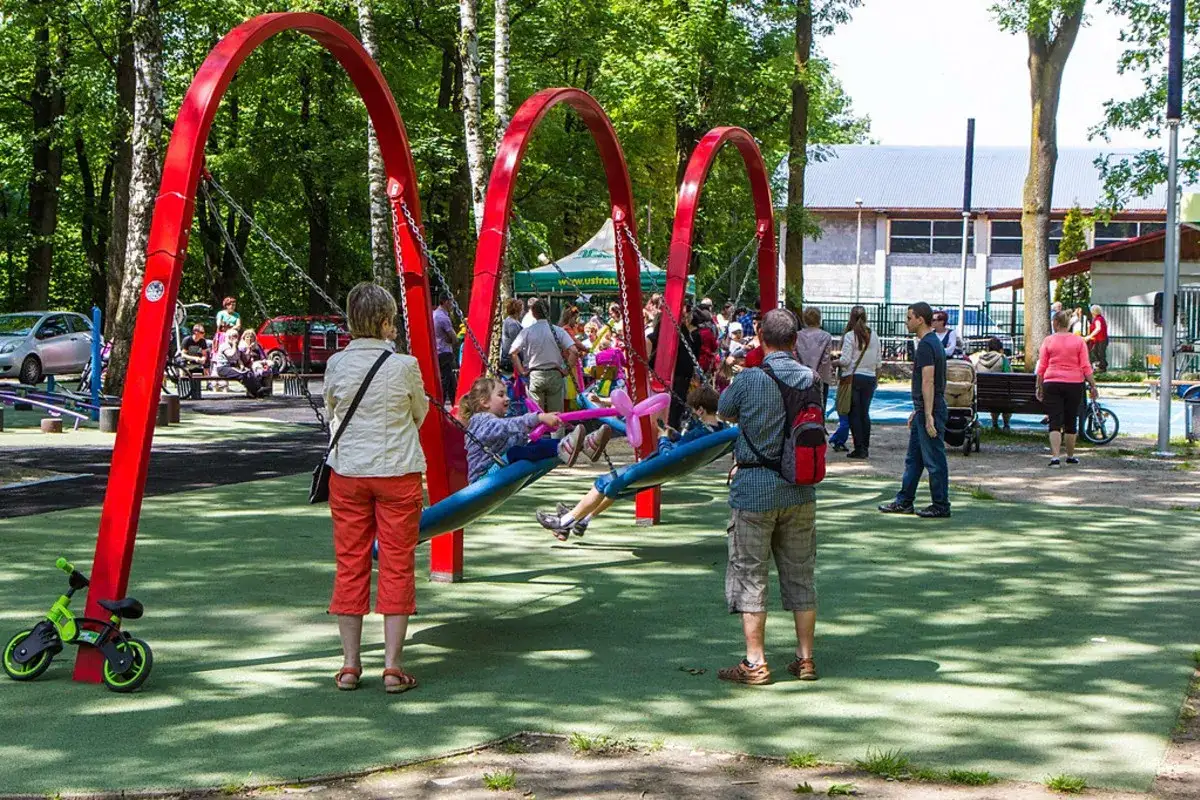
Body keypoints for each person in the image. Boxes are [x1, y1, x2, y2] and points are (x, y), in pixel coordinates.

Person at [324, 282, 428, 693]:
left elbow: (332, 410)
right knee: (397, 563)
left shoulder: (336, 364)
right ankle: (392, 666)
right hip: (397, 470)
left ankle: (350, 665)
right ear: (386, 322)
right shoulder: (405, 365)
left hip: (348, 472)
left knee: (350, 562)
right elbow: (418, 413)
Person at [716, 309, 819, 684]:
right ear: (795, 341)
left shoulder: (750, 379)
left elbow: (724, 410)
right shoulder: (812, 379)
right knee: (800, 574)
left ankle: (755, 662)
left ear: (761, 338)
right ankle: (805, 659)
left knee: (750, 575)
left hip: (754, 489)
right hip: (800, 488)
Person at [534, 385, 724, 541]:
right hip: (667, 471)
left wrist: (663, 439)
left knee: (604, 483)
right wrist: (673, 435)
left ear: (700, 409)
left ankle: (565, 522)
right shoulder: (718, 431)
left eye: (693, 410)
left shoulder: (700, 433)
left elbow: (669, 456)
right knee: (614, 485)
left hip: (656, 467)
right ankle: (583, 518)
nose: (692, 414)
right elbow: (685, 447)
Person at [458, 377, 613, 483]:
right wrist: (537, 418)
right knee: (516, 452)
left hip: (498, 466)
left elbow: (511, 437)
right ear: (484, 402)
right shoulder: (480, 420)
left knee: (532, 445)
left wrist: (532, 430)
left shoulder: (492, 420)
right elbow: (503, 428)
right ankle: (565, 447)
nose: (507, 398)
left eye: (506, 394)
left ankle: (585, 445)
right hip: (484, 476)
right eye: (501, 395)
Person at [879, 302, 950, 518]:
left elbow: (928, 381)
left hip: (931, 409)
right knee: (914, 459)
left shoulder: (927, 345)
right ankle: (905, 500)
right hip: (926, 409)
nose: (906, 321)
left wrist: (928, 414)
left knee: (934, 459)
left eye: (909, 317)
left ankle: (940, 504)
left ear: (920, 319)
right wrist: (919, 410)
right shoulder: (931, 343)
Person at [1036, 311, 1099, 468]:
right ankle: (1070, 456)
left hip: (1052, 382)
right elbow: (1085, 365)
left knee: (1054, 420)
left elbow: (1042, 366)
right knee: (1071, 420)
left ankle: (1055, 457)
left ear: (1055, 323)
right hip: (1074, 383)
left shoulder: (1048, 341)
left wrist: (1039, 384)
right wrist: (1093, 384)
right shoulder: (1078, 341)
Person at [510, 299, 576, 421]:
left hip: (535, 374)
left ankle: (537, 438)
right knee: (557, 415)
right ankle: (558, 438)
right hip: (555, 373)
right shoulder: (558, 330)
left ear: (534, 313)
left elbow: (513, 352)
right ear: (548, 312)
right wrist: (566, 371)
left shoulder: (527, 331)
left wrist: (522, 372)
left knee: (536, 415)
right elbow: (574, 351)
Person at [837, 305, 881, 459]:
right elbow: (878, 361)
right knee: (864, 413)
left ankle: (859, 447)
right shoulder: (874, 335)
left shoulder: (850, 336)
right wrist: (877, 379)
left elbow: (846, 360)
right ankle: (865, 446)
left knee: (854, 414)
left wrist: (835, 362)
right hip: (869, 377)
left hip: (853, 377)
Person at [795, 306, 833, 411]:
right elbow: (825, 359)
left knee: (801, 408)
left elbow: (795, 356)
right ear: (819, 318)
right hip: (821, 378)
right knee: (820, 407)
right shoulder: (826, 336)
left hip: (801, 376)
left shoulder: (797, 336)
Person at [214, 327, 268, 398]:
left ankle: (256, 391)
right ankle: (257, 390)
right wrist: (234, 345)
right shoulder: (225, 345)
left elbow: (238, 359)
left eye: (236, 336)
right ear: (229, 337)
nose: (236, 338)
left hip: (232, 367)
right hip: (223, 368)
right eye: (234, 336)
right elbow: (231, 355)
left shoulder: (235, 346)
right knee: (242, 374)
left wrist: (242, 365)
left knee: (248, 372)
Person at [971, 337, 1012, 430]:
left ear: (988, 349)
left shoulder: (980, 360)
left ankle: (994, 423)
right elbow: (1009, 375)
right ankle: (1006, 424)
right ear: (1000, 349)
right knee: (1005, 395)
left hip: (983, 397)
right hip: (1001, 396)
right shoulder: (1003, 359)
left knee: (995, 395)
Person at [432, 295, 458, 403]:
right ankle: (440, 404)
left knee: (451, 381)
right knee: (445, 381)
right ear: (445, 302)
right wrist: (452, 340)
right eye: (451, 301)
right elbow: (454, 338)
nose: (452, 304)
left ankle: (454, 402)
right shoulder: (443, 317)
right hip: (444, 352)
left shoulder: (434, 314)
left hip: (438, 351)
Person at [498, 298, 524, 374]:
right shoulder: (512, 324)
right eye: (521, 309)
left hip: (510, 360)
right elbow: (516, 343)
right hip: (511, 362)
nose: (523, 311)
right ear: (517, 310)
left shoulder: (510, 321)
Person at [1085, 304, 1108, 372]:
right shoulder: (1099, 318)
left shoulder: (1098, 319)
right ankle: (1102, 365)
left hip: (1102, 339)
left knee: (1100, 353)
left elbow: (1098, 328)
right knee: (1096, 352)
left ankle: (1103, 367)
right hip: (1099, 339)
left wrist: (1090, 336)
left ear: (1093, 311)